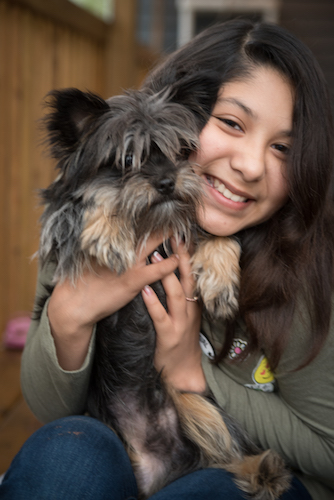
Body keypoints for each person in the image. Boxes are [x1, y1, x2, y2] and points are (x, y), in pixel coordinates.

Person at [1, 19, 333, 500]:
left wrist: (192, 373)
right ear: (187, 113)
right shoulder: (100, 215)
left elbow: (327, 446)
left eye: (283, 147)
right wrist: (71, 310)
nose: (251, 164)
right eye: (231, 123)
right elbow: (52, 408)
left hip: (230, 469)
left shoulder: (301, 266)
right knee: (65, 454)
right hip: (118, 440)